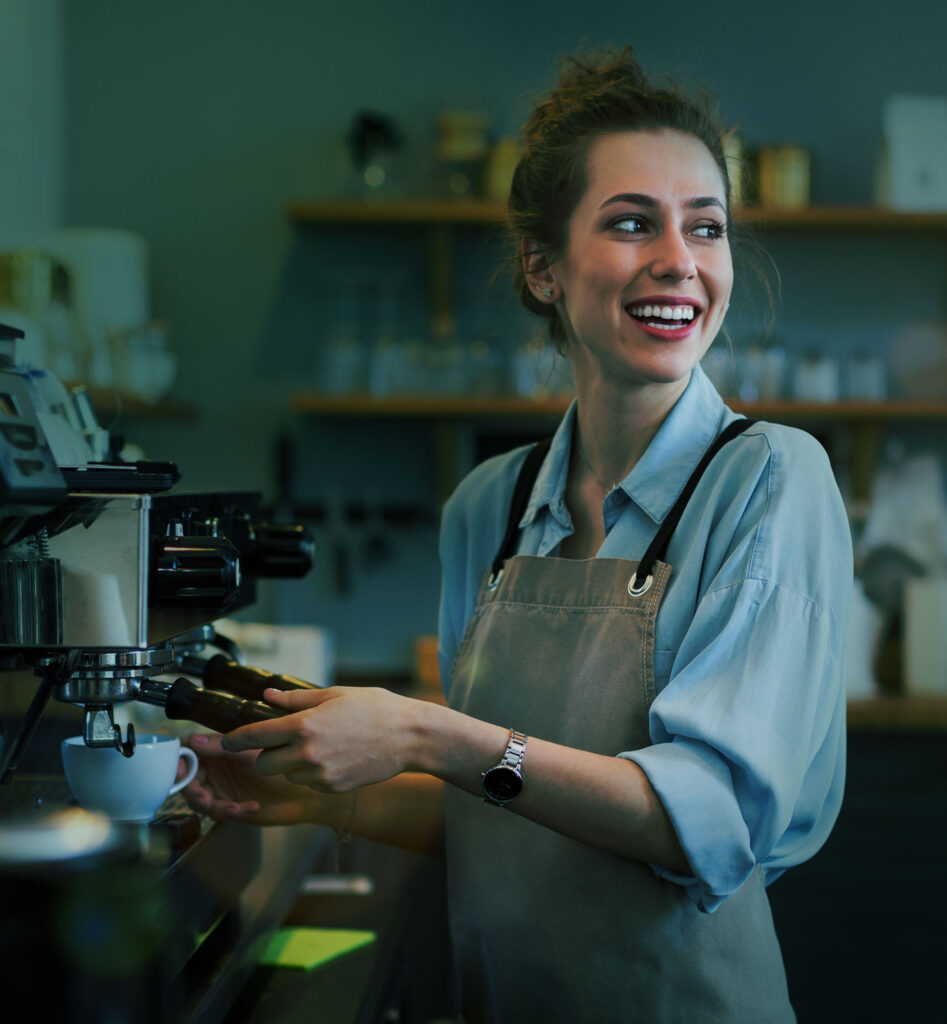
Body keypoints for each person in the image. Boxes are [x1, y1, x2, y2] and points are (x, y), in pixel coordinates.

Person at [183, 47, 852, 1023]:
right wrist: (329, 793)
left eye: (704, 226)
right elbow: (500, 804)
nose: (679, 260)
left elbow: (705, 825)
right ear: (541, 266)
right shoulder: (487, 507)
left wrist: (418, 729)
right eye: (631, 222)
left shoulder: (765, 479)